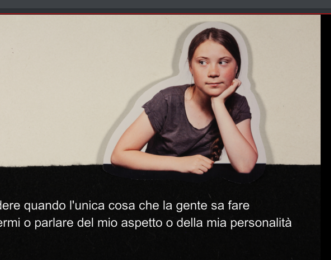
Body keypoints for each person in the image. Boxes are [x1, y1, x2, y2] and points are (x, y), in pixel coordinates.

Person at [110, 27, 258, 175]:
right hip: (157, 183)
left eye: (223, 62)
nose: (213, 72)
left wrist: (218, 104)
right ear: (190, 67)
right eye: (202, 62)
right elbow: (119, 155)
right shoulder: (167, 100)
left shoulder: (238, 104)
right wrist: (180, 163)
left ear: (236, 67)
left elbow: (245, 166)